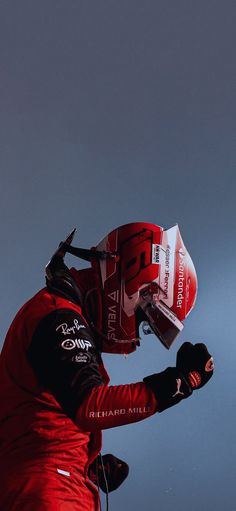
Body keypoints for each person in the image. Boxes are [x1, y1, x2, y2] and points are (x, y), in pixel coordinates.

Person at [0, 222, 214, 511]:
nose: (137, 337)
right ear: (127, 288)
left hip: (52, 483)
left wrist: (87, 463)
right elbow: (90, 406)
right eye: (144, 320)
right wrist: (178, 383)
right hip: (50, 490)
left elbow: (35, 417)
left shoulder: (62, 314)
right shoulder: (60, 317)